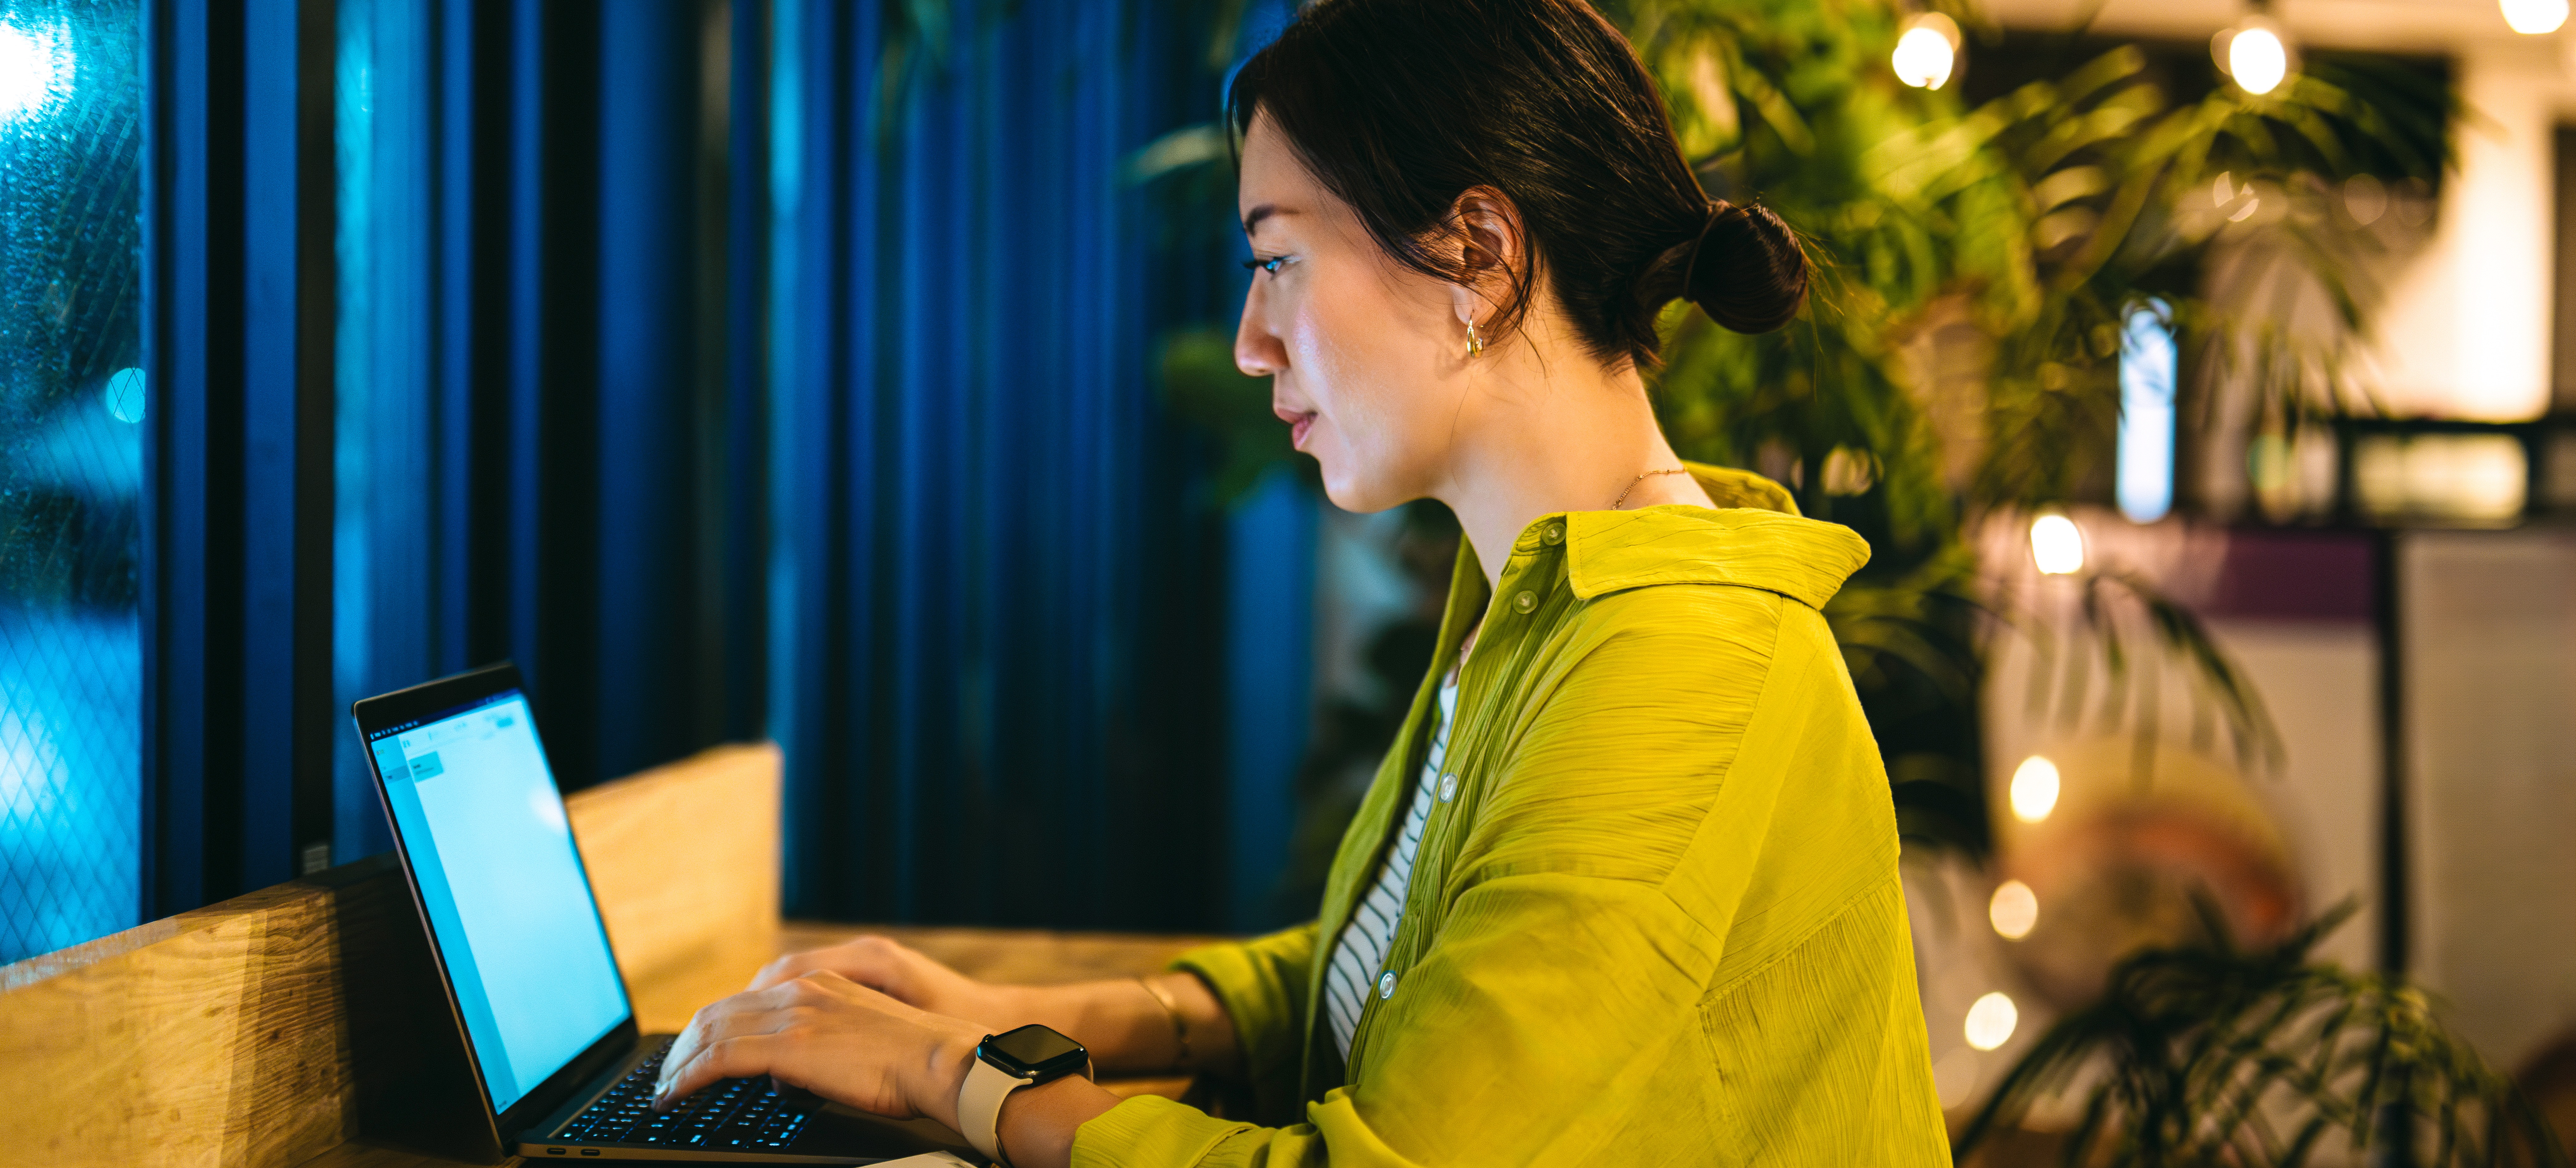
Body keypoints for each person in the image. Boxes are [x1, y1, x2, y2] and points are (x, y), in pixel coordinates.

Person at [650, 1, 1949, 1163]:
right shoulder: (1560, 591)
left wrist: (940, 1074)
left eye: (1276, 259)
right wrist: (1015, 1023)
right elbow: (1380, 975)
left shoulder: (1675, 662)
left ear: (1479, 258)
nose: (1249, 340)